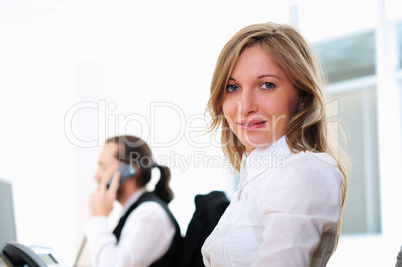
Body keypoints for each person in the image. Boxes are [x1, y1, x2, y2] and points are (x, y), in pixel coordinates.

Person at [201, 22, 349, 266]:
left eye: (267, 85)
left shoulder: (302, 169)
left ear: (301, 97)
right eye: (233, 87)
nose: (245, 106)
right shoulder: (254, 176)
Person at [85, 135, 182, 267]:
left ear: (130, 169)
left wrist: (99, 217)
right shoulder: (135, 211)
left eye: (104, 167)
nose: (96, 175)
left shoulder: (149, 214)